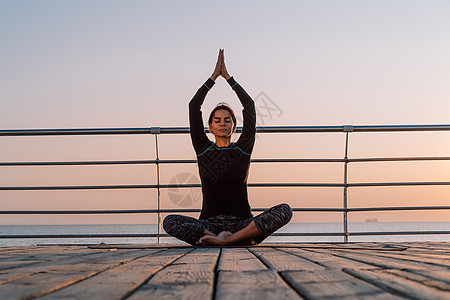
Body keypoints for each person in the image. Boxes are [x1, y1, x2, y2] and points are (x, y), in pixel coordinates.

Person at [163, 49, 292, 246]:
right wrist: (213, 77)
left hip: (243, 224)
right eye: (217, 120)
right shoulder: (203, 148)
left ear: (234, 125)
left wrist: (229, 78)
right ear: (210, 126)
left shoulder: (243, 149)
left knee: (285, 210)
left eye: (227, 120)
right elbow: (193, 106)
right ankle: (223, 238)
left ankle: (228, 239)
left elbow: (249, 106)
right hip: (209, 225)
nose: (222, 123)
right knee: (170, 221)